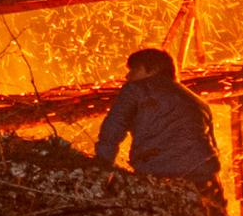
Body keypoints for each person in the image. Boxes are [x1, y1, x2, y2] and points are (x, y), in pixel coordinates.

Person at [94, 47, 222, 194]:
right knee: (210, 215)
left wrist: (101, 166)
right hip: (206, 177)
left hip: (160, 174)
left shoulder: (136, 89)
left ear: (153, 69)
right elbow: (212, 145)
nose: (127, 76)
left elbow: (113, 128)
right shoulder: (198, 101)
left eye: (134, 69)